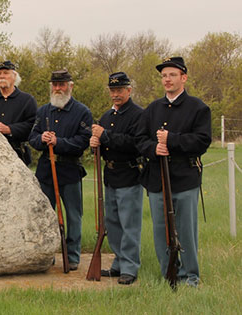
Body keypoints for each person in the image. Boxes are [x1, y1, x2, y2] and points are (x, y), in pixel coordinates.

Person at [136, 57, 211, 287]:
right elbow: (139, 140)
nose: (167, 80)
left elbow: (202, 141)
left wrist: (172, 140)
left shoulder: (198, 108)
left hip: (184, 179)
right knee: (161, 232)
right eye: (164, 76)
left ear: (183, 78)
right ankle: (168, 274)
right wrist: (154, 148)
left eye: (172, 75)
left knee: (186, 232)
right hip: (157, 179)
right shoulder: (152, 109)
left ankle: (191, 277)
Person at [29, 69, 92, 270]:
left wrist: (59, 142)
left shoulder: (82, 112)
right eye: (55, 85)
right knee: (45, 215)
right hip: (46, 171)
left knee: (73, 216)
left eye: (62, 84)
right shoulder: (43, 111)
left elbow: (83, 141)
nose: (58, 88)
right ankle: (46, 254)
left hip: (70, 170)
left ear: (70, 86)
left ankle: (72, 256)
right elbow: (32, 138)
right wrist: (42, 139)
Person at [90, 72, 144, 285]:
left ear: (128, 90)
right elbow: (104, 144)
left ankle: (130, 267)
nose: (116, 94)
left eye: (120, 90)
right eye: (112, 90)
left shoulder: (138, 115)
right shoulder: (106, 116)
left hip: (129, 174)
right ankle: (119, 263)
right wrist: (96, 145)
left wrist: (105, 136)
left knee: (129, 224)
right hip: (110, 175)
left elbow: (134, 144)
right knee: (112, 223)